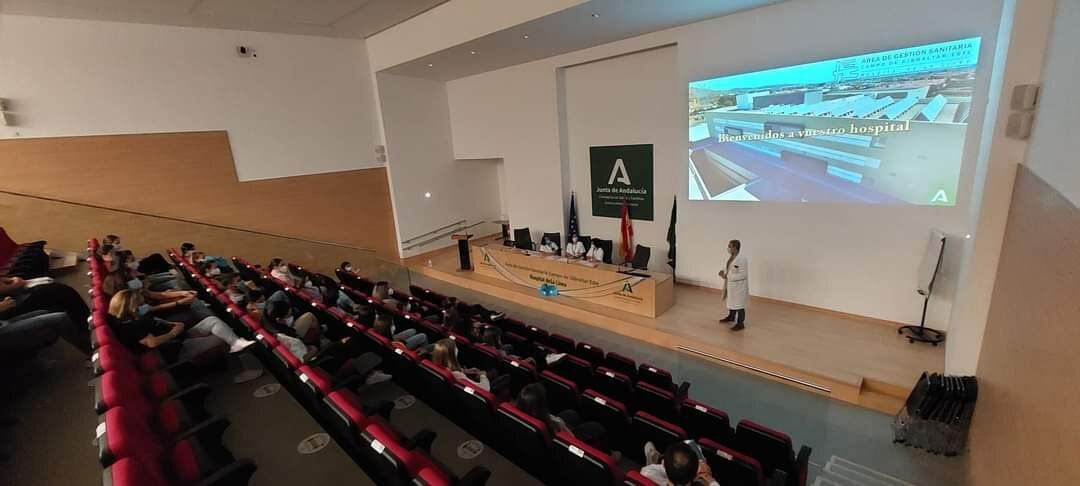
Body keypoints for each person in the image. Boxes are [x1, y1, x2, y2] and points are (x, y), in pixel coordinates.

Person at [515, 383, 615, 458]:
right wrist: (562, 425)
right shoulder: (554, 426)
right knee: (596, 427)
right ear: (541, 407)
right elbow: (571, 440)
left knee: (571, 414)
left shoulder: (523, 413)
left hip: (553, 428)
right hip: (564, 444)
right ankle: (609, 455)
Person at [640, 441, 719, 486]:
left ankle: (657, 458)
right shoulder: (704, 479)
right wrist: (711, 480)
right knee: (690, 442)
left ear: (663, 465)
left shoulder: (647, 473)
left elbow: (645, 472)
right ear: (695, 474)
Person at [718, 239, 749, 331]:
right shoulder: (731, 257)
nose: (728, 248)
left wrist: (728, 276)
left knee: (739, 305)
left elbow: (743, 275)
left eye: (729, 246)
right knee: (732, 302)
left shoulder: (742, 259)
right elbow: (729, 268)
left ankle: (740, 323)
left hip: (739, 287)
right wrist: (723, 272)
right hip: (731, 286)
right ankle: (731, 317)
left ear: (735, 248)